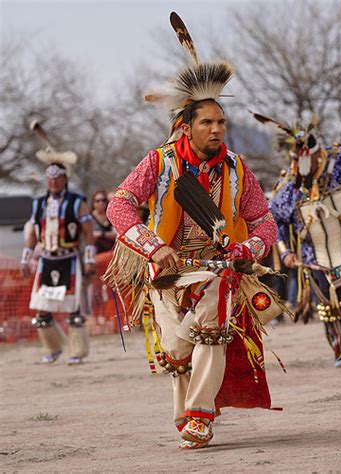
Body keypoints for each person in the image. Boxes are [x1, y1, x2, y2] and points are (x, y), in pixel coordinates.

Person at [104, 12, 280, 450]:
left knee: (213, 330)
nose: (218, 129)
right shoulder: (159, 163)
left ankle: (200, 416)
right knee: (177, 351)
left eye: (221, 122)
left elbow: (265, 220)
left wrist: (250, 246)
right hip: (166, 270)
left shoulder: (238, 169)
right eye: (208, 123)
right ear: (187, 127)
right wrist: (152, 246)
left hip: (218, 268)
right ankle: (186, 410)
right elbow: (119, 204)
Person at [265, 113, 341, 368]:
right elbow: (274, 219)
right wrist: (285, 250)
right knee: (331, 303)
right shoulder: (290, 185)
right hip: (317, 251)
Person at [21, 134, 95, 365]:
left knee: (73, 308)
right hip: (47, 260)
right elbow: (33, 233)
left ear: (65, 179)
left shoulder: (76, 202)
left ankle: (77, 351)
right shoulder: (39, 203)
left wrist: (90, 260)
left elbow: (88, 233)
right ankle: (53, 347)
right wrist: (25, 259)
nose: (52, 182)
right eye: (49, 178)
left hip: (70, 259)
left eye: (57, 177)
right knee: (42, 309)